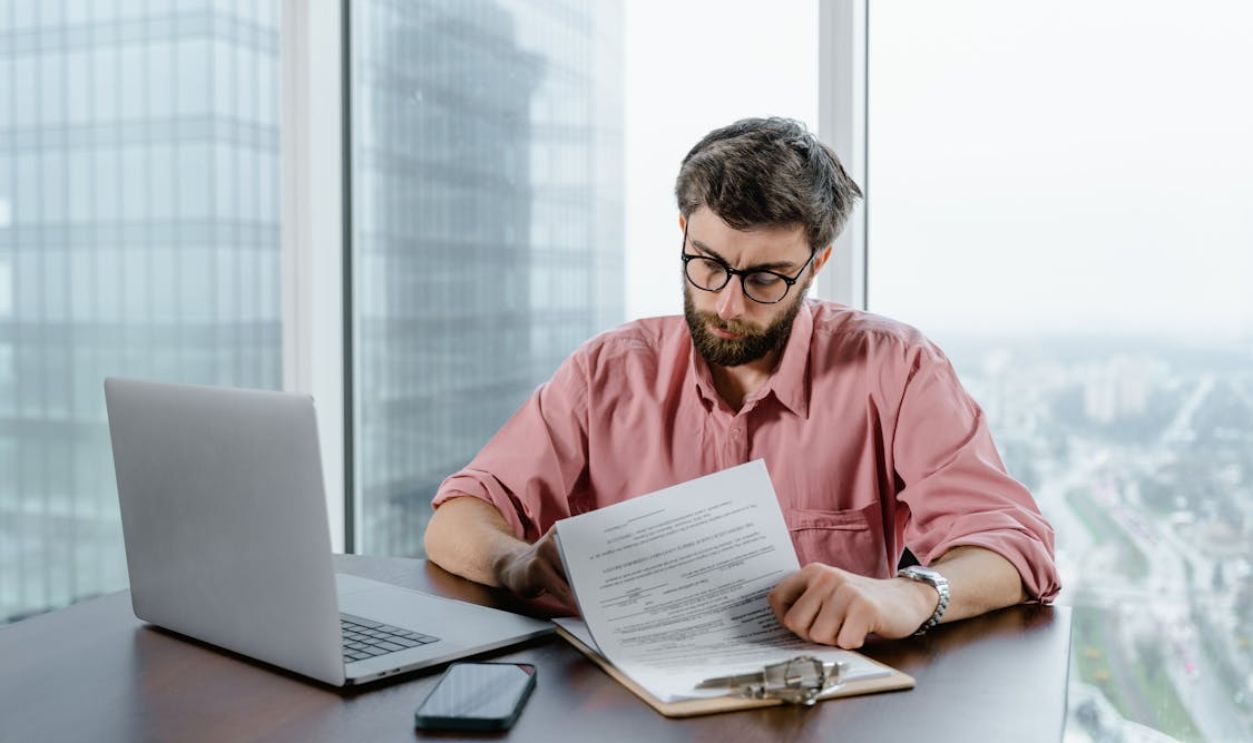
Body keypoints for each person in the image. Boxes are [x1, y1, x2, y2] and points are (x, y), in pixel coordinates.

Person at [424, 117, 1059, 649]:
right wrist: (512, 563)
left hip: (816, 710)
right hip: (622, 710)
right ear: (684, 234)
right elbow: (459, 516)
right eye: (708, 265)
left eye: (765, 279)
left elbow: (1014, 544)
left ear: (817, 265)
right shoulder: (607, 372)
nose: (727, 305)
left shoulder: (898, 369)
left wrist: (911, 593)